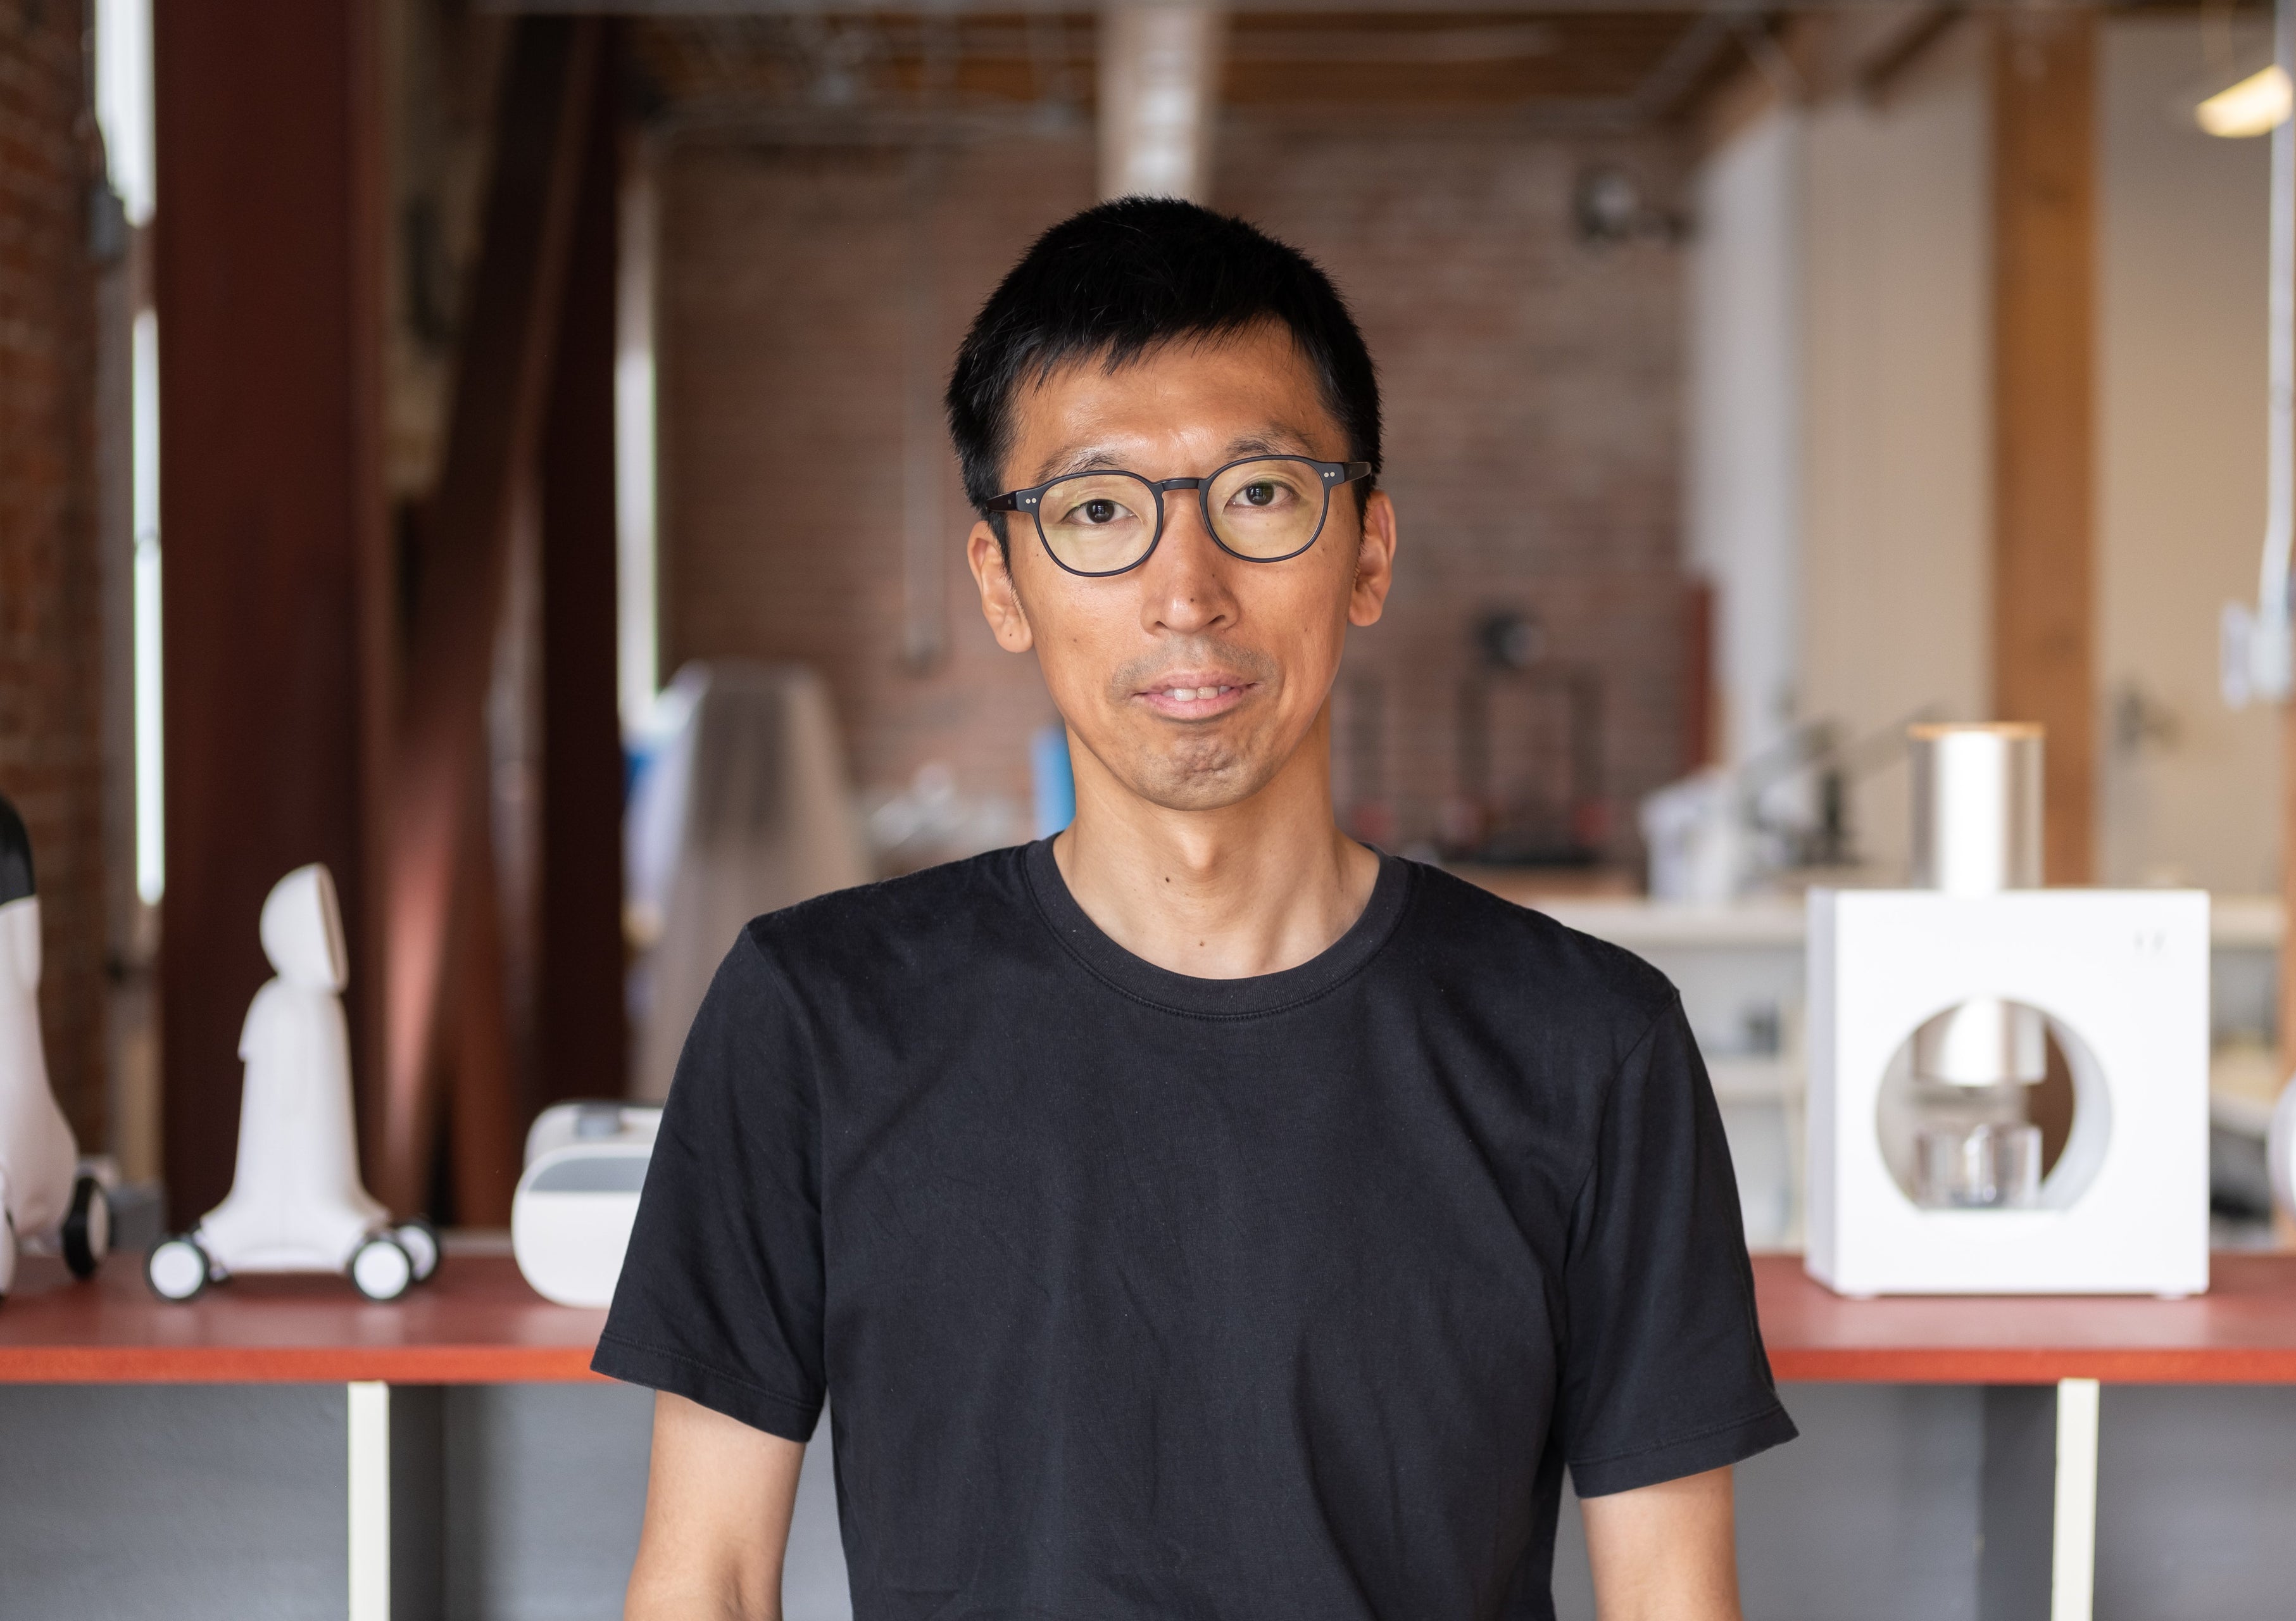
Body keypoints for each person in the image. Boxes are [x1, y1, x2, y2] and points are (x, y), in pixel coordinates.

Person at [601, 198, 1794, 1621]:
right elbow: (710, 1578)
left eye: (1261, 495)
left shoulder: (1591, 1044)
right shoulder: (815, 1016)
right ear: (1002, 579)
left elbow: (1673, 1595)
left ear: (1367, 551)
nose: (1186, 591)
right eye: (1098, 510)